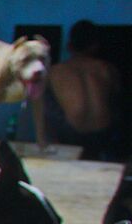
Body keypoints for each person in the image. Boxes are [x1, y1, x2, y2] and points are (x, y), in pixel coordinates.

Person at [46, 20, 125, 161]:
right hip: (103, 133)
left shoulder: (55, 71)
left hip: (71, 134)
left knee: (44, 97)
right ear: (95, 46)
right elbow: (116, 101)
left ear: (69, 46)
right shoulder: (107, 69)